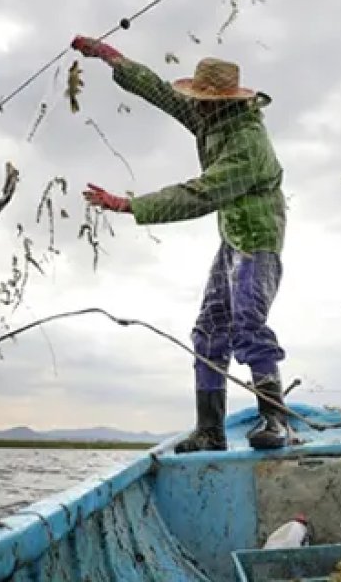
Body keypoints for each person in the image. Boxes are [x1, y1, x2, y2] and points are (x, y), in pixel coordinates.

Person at [70, 35, 290, 453]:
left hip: (258, 238)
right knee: (209, 328)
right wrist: (110, 57)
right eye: (198, 100)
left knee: (247, 322)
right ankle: (210, 430)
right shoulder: (211, 118)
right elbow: (157, 91)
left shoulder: (248, 144)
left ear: (227, 100)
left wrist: (127, 205)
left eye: (205, 101)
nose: (198, 106)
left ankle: (274, 419)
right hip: (232, 239)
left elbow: (201, 194)